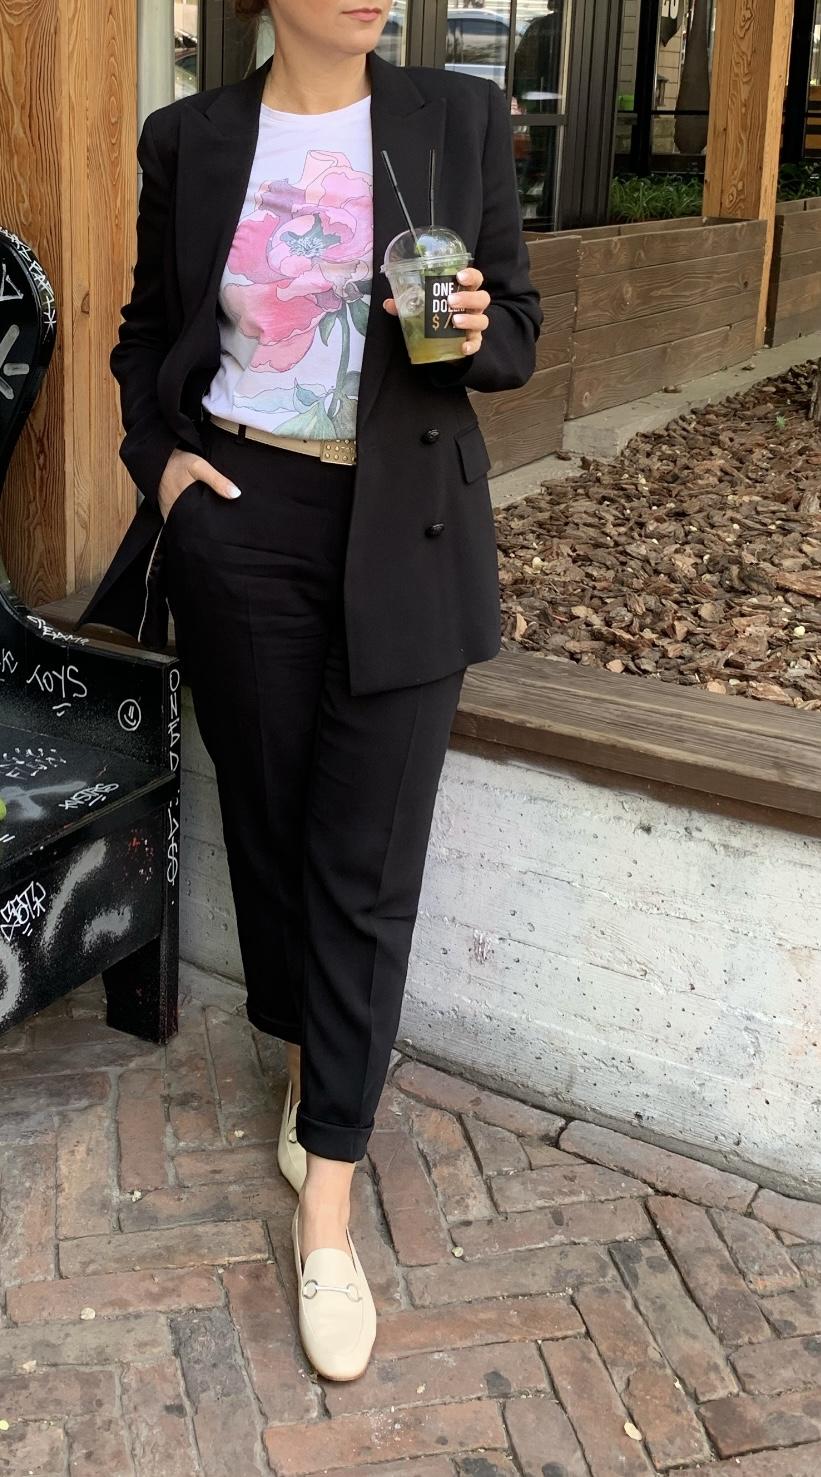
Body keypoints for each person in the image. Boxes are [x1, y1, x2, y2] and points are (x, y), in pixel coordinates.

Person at [77, 0, 542, 1381]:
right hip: (243, 520)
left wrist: (472, 328)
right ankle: (302, 1056)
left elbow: (514, 336)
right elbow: (145, 333)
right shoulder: (191, 137)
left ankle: (328, 1205)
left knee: (367, 863)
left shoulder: (455, 118)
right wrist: (162, 470)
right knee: (273, 829)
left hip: (405, 524)